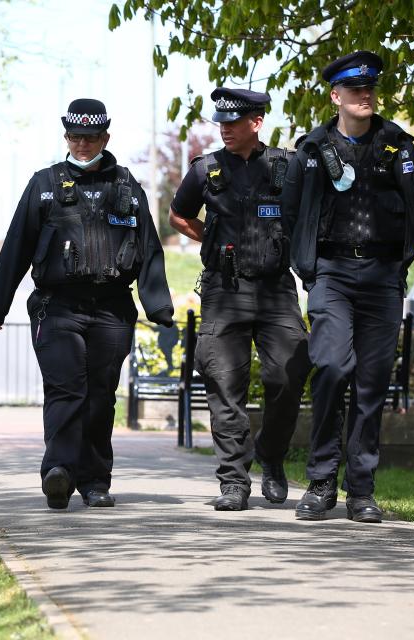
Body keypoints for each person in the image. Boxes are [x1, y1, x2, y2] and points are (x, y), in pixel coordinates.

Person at [0, 98, 174, 510]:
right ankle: (59, 472)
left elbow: (148, 249)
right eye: (75, 136)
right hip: (58, 307)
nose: (82, 144)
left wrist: (159, 307)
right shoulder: (45, 183)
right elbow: (17, 246)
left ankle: (94, 481)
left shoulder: (126, 186)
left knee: (100, 396)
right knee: (65, 389)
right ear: (66, 136)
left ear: (105, 137)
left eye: (90, 137)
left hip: (111, 309)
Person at [283, 51, 414, 522]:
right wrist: (308, 268)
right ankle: (322, 481)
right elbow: (290, 215)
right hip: (332, 274)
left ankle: (361, 490)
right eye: (354, 89)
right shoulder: (312, 150)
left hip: (383, 277)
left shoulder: (399, 147)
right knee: (329, 367)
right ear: (336, 96)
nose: (364, 95)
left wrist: (400, 262)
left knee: (371, 385)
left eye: (369, 88)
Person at [169, 88, 310, 511]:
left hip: (275, 287)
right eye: (221, 123)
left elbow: (308, 217)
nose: (225, 129)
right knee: (222, 382)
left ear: (257, 123)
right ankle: (233, 480)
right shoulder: (205, 169)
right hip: (223, 289)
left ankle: (271, 455)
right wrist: (208, 237)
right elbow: (178, 214)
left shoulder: (287, 167)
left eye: (233, 122)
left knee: (290, 372)